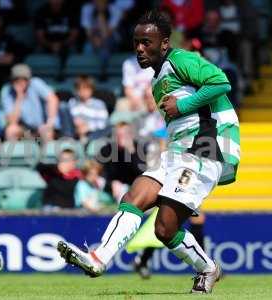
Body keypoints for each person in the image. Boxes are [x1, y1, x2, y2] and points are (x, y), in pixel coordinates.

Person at [58, 10, 240, 294]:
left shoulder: (181, 59)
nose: (140, 49)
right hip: (179, 150)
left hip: (207, 147)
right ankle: (97, 260)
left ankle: (207, 268)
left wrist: (183, 105)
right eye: (136, 42)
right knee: (133, 197)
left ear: (164, 43)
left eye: (147, 42)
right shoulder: (157, 80)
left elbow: (221, 82)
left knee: (164, 228)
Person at [3, 64, 60, 142]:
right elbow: (12, 121)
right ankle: (15, 154)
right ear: (12, 80)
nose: (20, 82)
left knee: (47, 132)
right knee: (11, 130)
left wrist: (49, 122)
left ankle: (47, 154)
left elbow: (52, 99)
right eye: (17, 79)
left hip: (41, 126)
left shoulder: (36, 83)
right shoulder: (7, 90)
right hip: (24, 130)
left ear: (29, 79)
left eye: (24, 79)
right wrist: (19, 98)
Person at [98, 120, 147, 201]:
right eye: (118, 135)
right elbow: (101, 173)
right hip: (111, 188)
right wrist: (111, 184)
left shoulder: (139, 148)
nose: (120, 138)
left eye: (124, 135)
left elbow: (141, 174)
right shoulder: (107, 149)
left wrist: (131, 151)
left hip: (132, 188)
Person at [68, 76, 109, 143]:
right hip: (75, 133)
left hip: (94, 134)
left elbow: (104, 123)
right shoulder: (72, 102)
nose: (83, 92)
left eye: (86, 89)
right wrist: (76, 123)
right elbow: (70, 120)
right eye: (79, 89)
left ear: (91, 90)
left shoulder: (99, 104)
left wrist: (88, 127)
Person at [81, 0, 122, 65]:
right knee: (88, 47)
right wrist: (94, 40)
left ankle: (103, 72)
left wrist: (101, 15)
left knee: (104, 51)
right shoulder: (87, 8)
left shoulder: (115, 9)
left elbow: (108, 33)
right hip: (94, 38)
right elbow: (88, 32)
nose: (99, 2)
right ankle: (88, 70)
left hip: (111, 39)